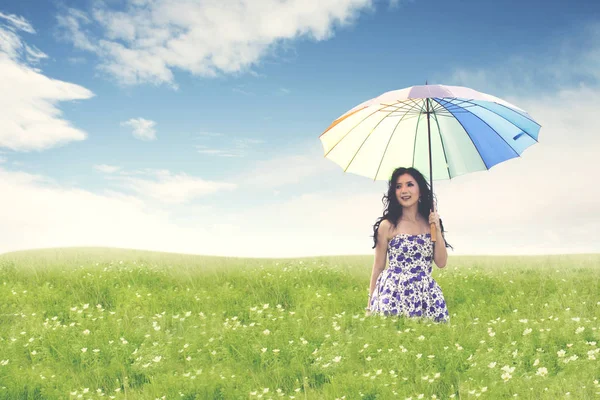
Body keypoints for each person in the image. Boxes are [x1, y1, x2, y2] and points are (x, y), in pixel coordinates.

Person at [366, 167, 451, 323]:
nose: (404, 190)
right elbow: (378, 267)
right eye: (398, 186)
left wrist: (437, 229)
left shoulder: (430, 224)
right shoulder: (388, 225)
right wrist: (370, 306)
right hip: (393, 294)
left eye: (410, 185)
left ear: (421, 190)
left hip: (425, 295)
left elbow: (441, 262)